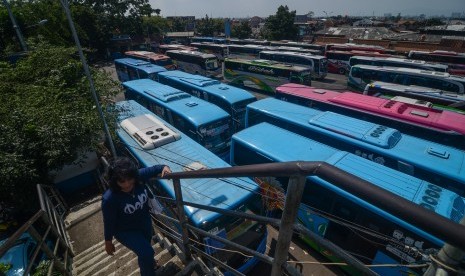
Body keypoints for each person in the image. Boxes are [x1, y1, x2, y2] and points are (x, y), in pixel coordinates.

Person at [102, 157, 172, 276]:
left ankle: (151, 263)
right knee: (146, 252)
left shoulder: (138, 176)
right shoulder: (109, 199)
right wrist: (108, 241)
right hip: (125, 231)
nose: (127, 184)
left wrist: (165, 168)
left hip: (144, 222)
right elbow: (108, 222)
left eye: (129, 179)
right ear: (115, 181)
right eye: (122, 181)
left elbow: (157, 168)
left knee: (146, 250)